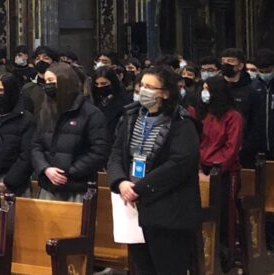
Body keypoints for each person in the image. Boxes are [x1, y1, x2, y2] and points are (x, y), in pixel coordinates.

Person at [106, 65, 201, 275]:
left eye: (150, 87)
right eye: (142, 86)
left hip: (168, 211)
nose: (144, 91)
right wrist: (120, 182)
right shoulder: (131, 117)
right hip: (134, 207)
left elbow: (179, 163)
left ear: (165, 93)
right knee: (143, 268)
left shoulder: (182, 123)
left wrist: (141, 187)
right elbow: (115, 155)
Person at [31, 62, 110, 202]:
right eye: (45, 81)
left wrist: (67, 171)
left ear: (64, 82)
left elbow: (99, 152)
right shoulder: (45, 111)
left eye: (51, 81)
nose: (47, 85)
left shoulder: (91, 114)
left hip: (77, 187)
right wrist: (45, 168)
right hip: (48, 186)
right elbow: (36, 145)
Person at [200, 74, 245, 270]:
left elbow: (231, 148)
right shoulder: (210, 115)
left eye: (207, 89)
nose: (204, 93)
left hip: (225, 172)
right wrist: (201, 165)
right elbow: (203, 142)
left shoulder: (233, 117)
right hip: (206, 170)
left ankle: (227, 254)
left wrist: (216, 167)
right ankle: (210, 253)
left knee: (226, 213)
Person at [0, 72, 35, 197]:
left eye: (1, 90)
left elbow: (26, 156)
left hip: (15, 183)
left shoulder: (26, 119)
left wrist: (8, 182)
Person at [92, 65, 131, 137]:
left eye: (103, 84)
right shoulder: (94, 100)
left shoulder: (124, 100)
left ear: (112, 82)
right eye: (96, 84)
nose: (99, 87)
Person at [250, 48, 274, 160]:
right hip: (257, 144)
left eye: (268, 71)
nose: (265, 74)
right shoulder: (252, 87)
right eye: (261, 71)